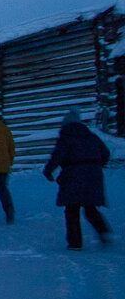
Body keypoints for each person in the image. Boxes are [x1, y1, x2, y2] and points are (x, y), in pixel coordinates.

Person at [43, 107, 112, 251]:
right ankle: (103, 231)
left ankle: (75, 243)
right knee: (90, 207)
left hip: (73, 175)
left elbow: (58, 156)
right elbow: (105, 153)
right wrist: (96, 165)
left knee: (72, 209)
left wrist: (48, 171)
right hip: (93, 175)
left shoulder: (66, 137)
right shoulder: (91, 136)